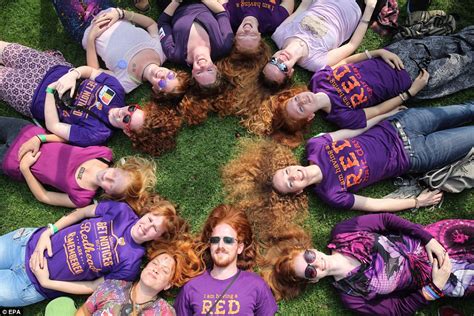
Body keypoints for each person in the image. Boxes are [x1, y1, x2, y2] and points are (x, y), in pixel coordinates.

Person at [247, 27, 474, 138]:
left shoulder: (318, 79)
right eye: (301, 108)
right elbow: (375, 110)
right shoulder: (341, 116)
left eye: (296, 99)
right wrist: (410, 93)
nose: (302, 100)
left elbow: (345, 61)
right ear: (309, 117)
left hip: (394, 54)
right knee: (462, 64)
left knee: (452, 42)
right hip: (410, 80)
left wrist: (375, 52)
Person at [272, 102, 474, 212]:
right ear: (298, 192)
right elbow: (374, 204)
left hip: (402, 124)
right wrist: (418, 202)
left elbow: (354, 131)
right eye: (290, 184)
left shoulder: (315, 146)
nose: (293, 176)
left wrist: (388, 114)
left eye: (287, 172)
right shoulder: (331, 193)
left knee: (468, 109)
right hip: (416, 154)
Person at [263, 213, 474, 315]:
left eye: (309, 257)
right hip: (448, 278)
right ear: (314, 280)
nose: (316, 264)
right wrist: (434, 289)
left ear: (312, 250)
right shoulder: (352, 297)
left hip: (439, 240)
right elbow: (396, 310)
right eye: (310, 271)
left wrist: (428, 239)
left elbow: (386, 220)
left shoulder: (344, 232)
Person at [0, 197, 186, 307]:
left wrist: (47, 282)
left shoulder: (131, 264)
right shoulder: (121, 211)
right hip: (24, 244)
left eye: (155, 228)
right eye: (151, 218)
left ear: (158, 238)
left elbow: (93, 286)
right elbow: (81, 213)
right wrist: (48, 232)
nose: (147, 226)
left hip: (29, 285)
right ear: (147, 213)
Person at [0, 41, 142, 146]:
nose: (124, 113)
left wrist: (50, 91)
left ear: (127, 132)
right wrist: (74, 74)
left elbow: (54, 126)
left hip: (32, 95)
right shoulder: (116, 91)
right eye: (131, 109)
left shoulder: (97, 134)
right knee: (5, 50)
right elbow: (91, 71)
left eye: (127, 120)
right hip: (50, 66)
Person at [0, 116, 156, 208]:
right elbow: (70, 138)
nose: (107, 177)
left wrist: (25, 168)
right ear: (119, 168)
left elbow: (45, 196)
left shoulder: (82, 197)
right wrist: (39, 138)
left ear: (110, 193)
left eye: (112, 184)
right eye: (114, 174)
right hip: (27, 133)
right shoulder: (103, 154)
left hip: (12, 161)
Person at [52, 0, 189, 97]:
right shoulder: (161, 52)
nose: (163, 76)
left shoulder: (125, 84)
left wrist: (91, 39)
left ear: (156, 90)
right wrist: (121, 14)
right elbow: (152, 25)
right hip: (106, 8)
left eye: (163, 83)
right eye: (171, 75)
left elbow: (94, 71)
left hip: (83, 27)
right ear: (172, 71)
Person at [174, 204, 278, 315]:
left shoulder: (257, 285)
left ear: (239, 247)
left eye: (228, 240)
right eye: (215, 240)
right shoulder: (191, 286)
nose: (220, 246)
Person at [72, 237, 205, 316]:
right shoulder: (112, 286)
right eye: (155, 263)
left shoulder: (165, 312)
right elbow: (84, 312)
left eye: (164, 270)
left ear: (168, 285)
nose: (156, 270)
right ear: (146, 266)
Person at [262, 0, 379, 87]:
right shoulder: (316, 62)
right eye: (282, 67)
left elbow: (303, 7)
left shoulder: (279, 35)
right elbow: (352, 45)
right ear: (290, 73)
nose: (281, 59)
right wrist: (370, 8)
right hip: (357, 5)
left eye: (274, 61)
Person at [158, 0, 234, 88]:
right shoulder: (224, 45)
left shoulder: (175, 54)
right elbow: (221, 13)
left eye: (199, 72)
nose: (203, 66)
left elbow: (162, 22)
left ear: (193, 74)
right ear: (215, 68)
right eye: (209, 70)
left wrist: (176, 2)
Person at [219, 0, 294, 53]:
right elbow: (288, 1)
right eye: (252, 35)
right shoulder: (274, 20)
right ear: (259, 36)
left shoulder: (229, 17)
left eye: (242, 35)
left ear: (235, 36)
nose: (247, 29)